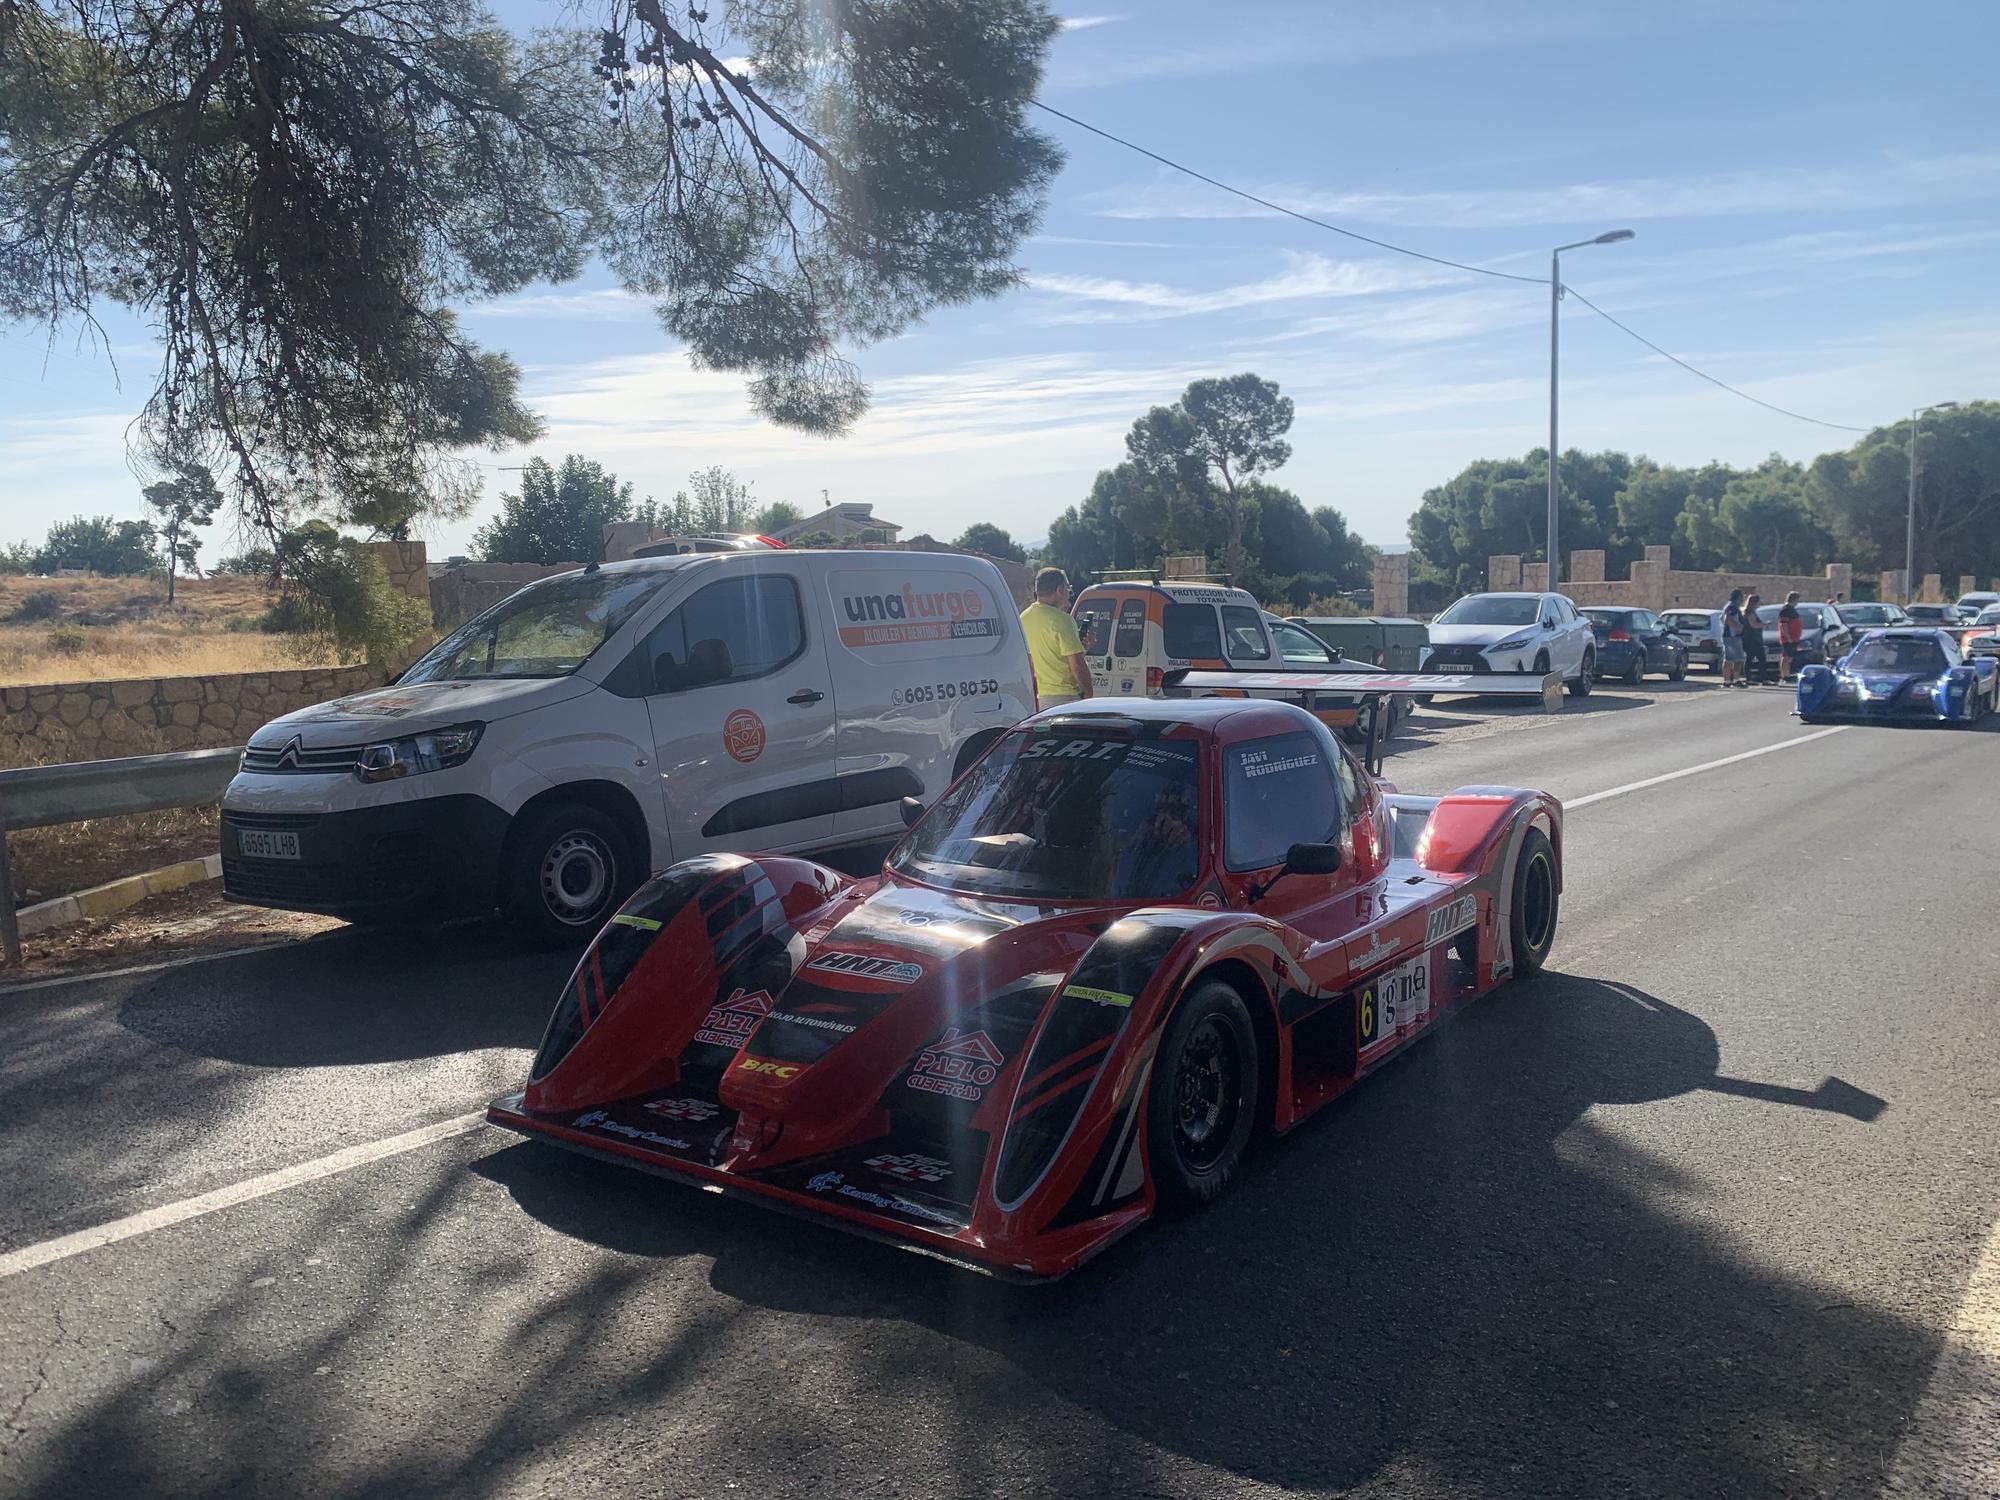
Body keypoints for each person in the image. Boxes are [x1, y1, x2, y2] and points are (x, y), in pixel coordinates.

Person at [1019, 567, 1093, 708]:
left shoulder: (1023, 618)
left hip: (1038, 697)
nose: (1068, 594)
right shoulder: (1063, 620)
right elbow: (1077, 665)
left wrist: (1084, 649)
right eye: (1068, 589)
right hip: (1066, 697)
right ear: (1060, 590)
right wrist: (1088, 694)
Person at [1720, 588, 1746, 688]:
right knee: (1731, 659)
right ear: (1738, 597)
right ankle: (1729, 681)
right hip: (1732, 637)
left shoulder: (1730, 606)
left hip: (1733, 637)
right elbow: (1726, 619)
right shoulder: (1732, 607)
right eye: (1742, 597)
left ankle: (1733, 680)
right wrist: (1738, 627)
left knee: (1736, 659)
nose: (1743, 599)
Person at [1776, 591, 1804, 682]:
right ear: (1794, 599)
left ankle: (1787, 673)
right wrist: (1788, 637)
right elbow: (1783, 625)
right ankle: (1784, 675)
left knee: (1789, 657)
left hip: (1794, 638)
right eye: (1797, 600)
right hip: (1788, 638)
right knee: (1786, 657)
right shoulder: (1786, 610)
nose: (1798, 602)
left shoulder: (1791, 609)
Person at [1741, 592, 1768, 684]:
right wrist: (1764, 624)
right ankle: (1761, 678)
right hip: (1753, 640)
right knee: (1760, 658)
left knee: (1750, 658)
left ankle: (1750, 677)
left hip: (1750, 639)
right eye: (1758, 602)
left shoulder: (1748, 612)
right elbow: (1754, 625)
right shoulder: (1750, 613)